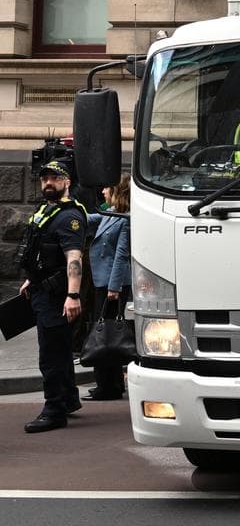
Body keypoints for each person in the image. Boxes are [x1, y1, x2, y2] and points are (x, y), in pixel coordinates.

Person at [17, 160, 88, 433]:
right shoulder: (47, 211)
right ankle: (69, 399)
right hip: (40, 289)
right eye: (44, 178)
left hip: (56, 295)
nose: (48, 182)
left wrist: (72, 295)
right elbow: (40, 251)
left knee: (52, 354)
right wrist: (30, 280)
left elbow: (74, 259)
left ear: (67, 182)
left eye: (54, 178)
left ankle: (54, 410)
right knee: (59, 349)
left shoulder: (69, 217)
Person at [85, 176, 131, 401]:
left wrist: (115, 288)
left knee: (105, 335)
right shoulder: (111, 213)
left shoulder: (125, 219)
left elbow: (122, 255)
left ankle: (108, 386)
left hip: (113, 285)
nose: (103, 191)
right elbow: (86, 219)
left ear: (117, 192)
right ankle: (109, 383)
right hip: (102, 281)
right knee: (107, 333)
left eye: (107, 188)